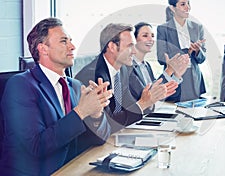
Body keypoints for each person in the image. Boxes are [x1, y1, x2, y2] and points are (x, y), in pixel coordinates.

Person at [0, 18, 113, 175]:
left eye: (71, 41)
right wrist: (81, 112)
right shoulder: (20, 86)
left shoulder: (75, 85)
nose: (72, 47)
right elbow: (36, 147)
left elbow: (99, 139)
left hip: (72, 169)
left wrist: (95, 114)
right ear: (43, 49)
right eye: (63, 41)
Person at [93, 23, 177, 131]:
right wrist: (144, 103)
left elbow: (130, 106)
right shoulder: (94, 75)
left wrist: (149, 101)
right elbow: (108, 123)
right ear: (112, 47)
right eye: (129, 46)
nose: (134, 51)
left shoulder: (121, 70)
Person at [156, 0, 207, 102]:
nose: (187, 7)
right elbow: (160, 58)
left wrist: (198, 51)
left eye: (188, 3)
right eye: (183, 4)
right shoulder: (163, 29)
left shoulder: (198, 27)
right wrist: (186, 52)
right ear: (173, 8)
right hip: (173, 77)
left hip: (194, 80)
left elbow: (202, 59)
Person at [127, 22, 189, 102]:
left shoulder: (147, 66)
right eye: (145, 35)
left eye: (152, 36)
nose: (151, 39)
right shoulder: (128, 66)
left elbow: (166, 97)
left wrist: (176, 75)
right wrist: (168, 70)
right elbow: (146, 96)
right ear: (134, 40)